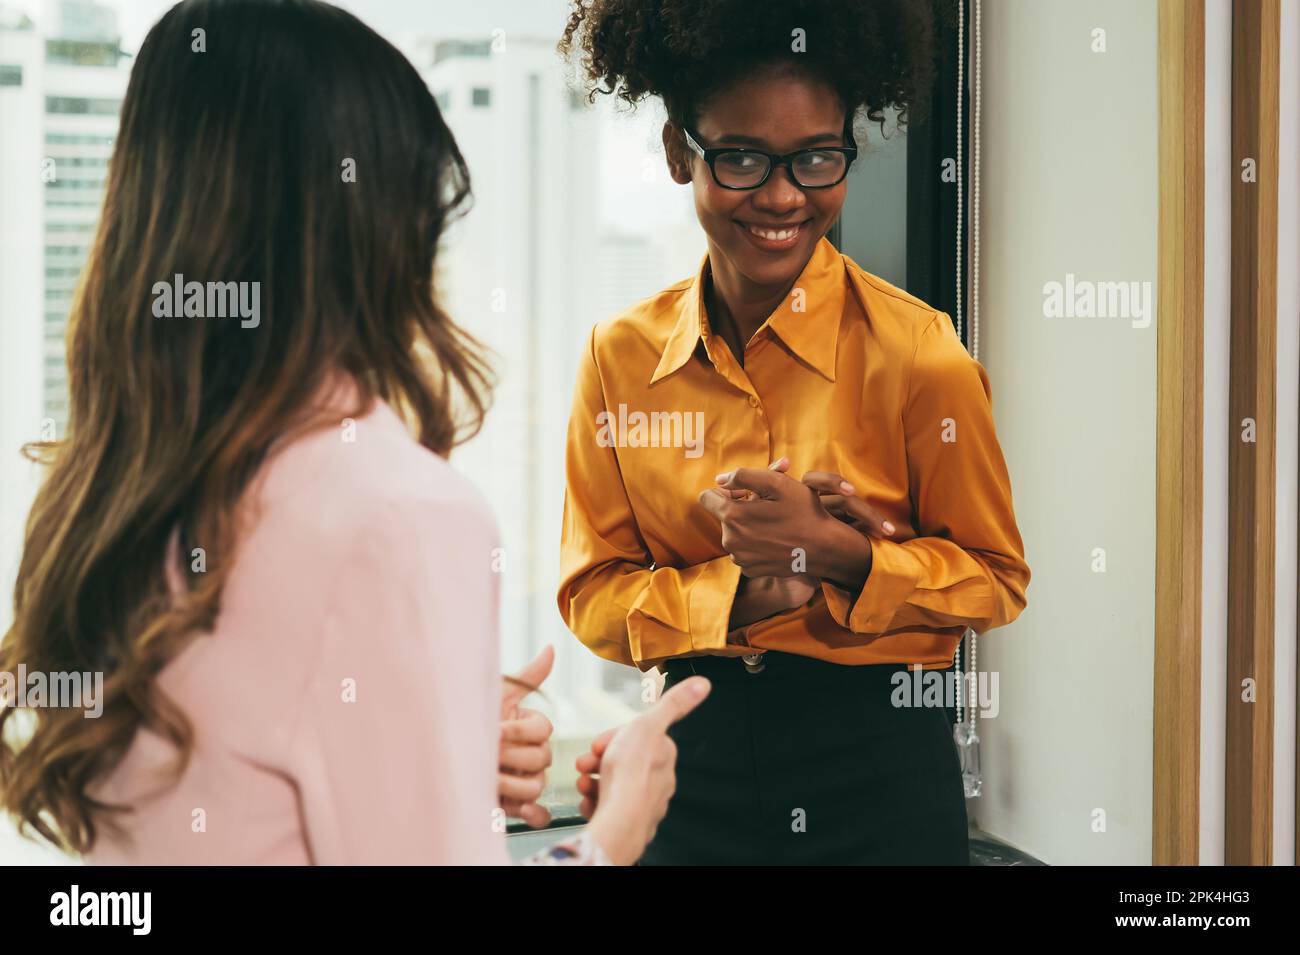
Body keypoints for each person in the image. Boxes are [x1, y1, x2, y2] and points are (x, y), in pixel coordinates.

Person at [0, 0, 708, 866]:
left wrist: (426, 753)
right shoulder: (395, 516)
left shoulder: (113, 495)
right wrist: (617, 830)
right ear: (377, 224)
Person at [558, 0, 1030, 864]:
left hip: (880, 773)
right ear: (679, 153)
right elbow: (590, 592)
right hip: (685, 772)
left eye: (817, 158)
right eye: (740, 158)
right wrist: (737, 594)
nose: (782, 196)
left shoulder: (921, 354)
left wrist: (835, 555)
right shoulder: (618, 359)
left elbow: (995, 581)